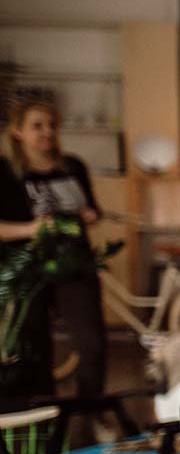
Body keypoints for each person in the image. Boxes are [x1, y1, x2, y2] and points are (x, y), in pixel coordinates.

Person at [1, 94, 106, 402]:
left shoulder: (73, 166)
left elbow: (92, 210)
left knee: (91, 343)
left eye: (52, 125)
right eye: (37, 126)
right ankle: (43, 410)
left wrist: (90, 216)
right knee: (34, 345)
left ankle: (90, 407)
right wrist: (30, 229)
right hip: (28, 272)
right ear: (17, 131)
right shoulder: (5, 173)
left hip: (75, 266)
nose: (47, 131)